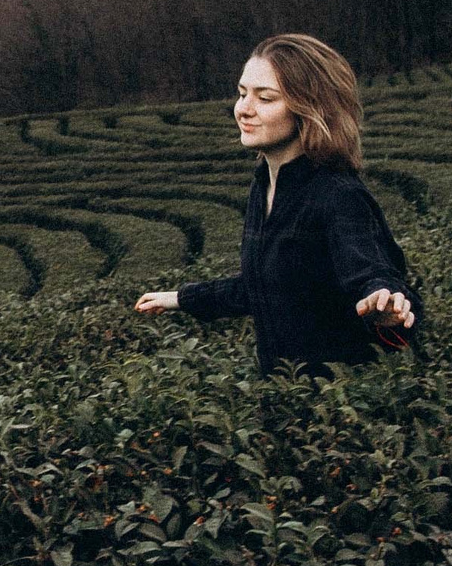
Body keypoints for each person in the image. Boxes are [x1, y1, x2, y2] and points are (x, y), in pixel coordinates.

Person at [133, 32, 419, 372]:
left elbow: (371, 273)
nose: (244, 110)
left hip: (334, 406)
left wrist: (386, 304)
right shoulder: (264, 183)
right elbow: (270, 283)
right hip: (284, 394)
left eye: (265, 98)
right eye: (242, 94)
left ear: (308, 108)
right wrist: (181, 298)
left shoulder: (338, 194)